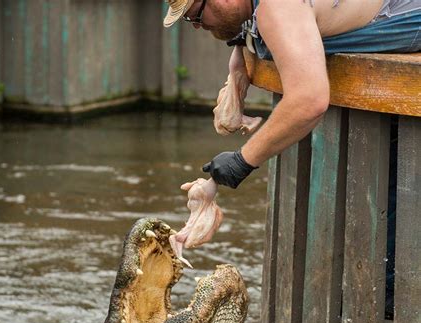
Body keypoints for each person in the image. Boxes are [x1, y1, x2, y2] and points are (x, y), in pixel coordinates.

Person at [163, 0, 421, 189]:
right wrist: (239, 62)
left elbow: (309, 100)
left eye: (195, 15)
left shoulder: (276, 8)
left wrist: (241, 161)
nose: (197, 26)